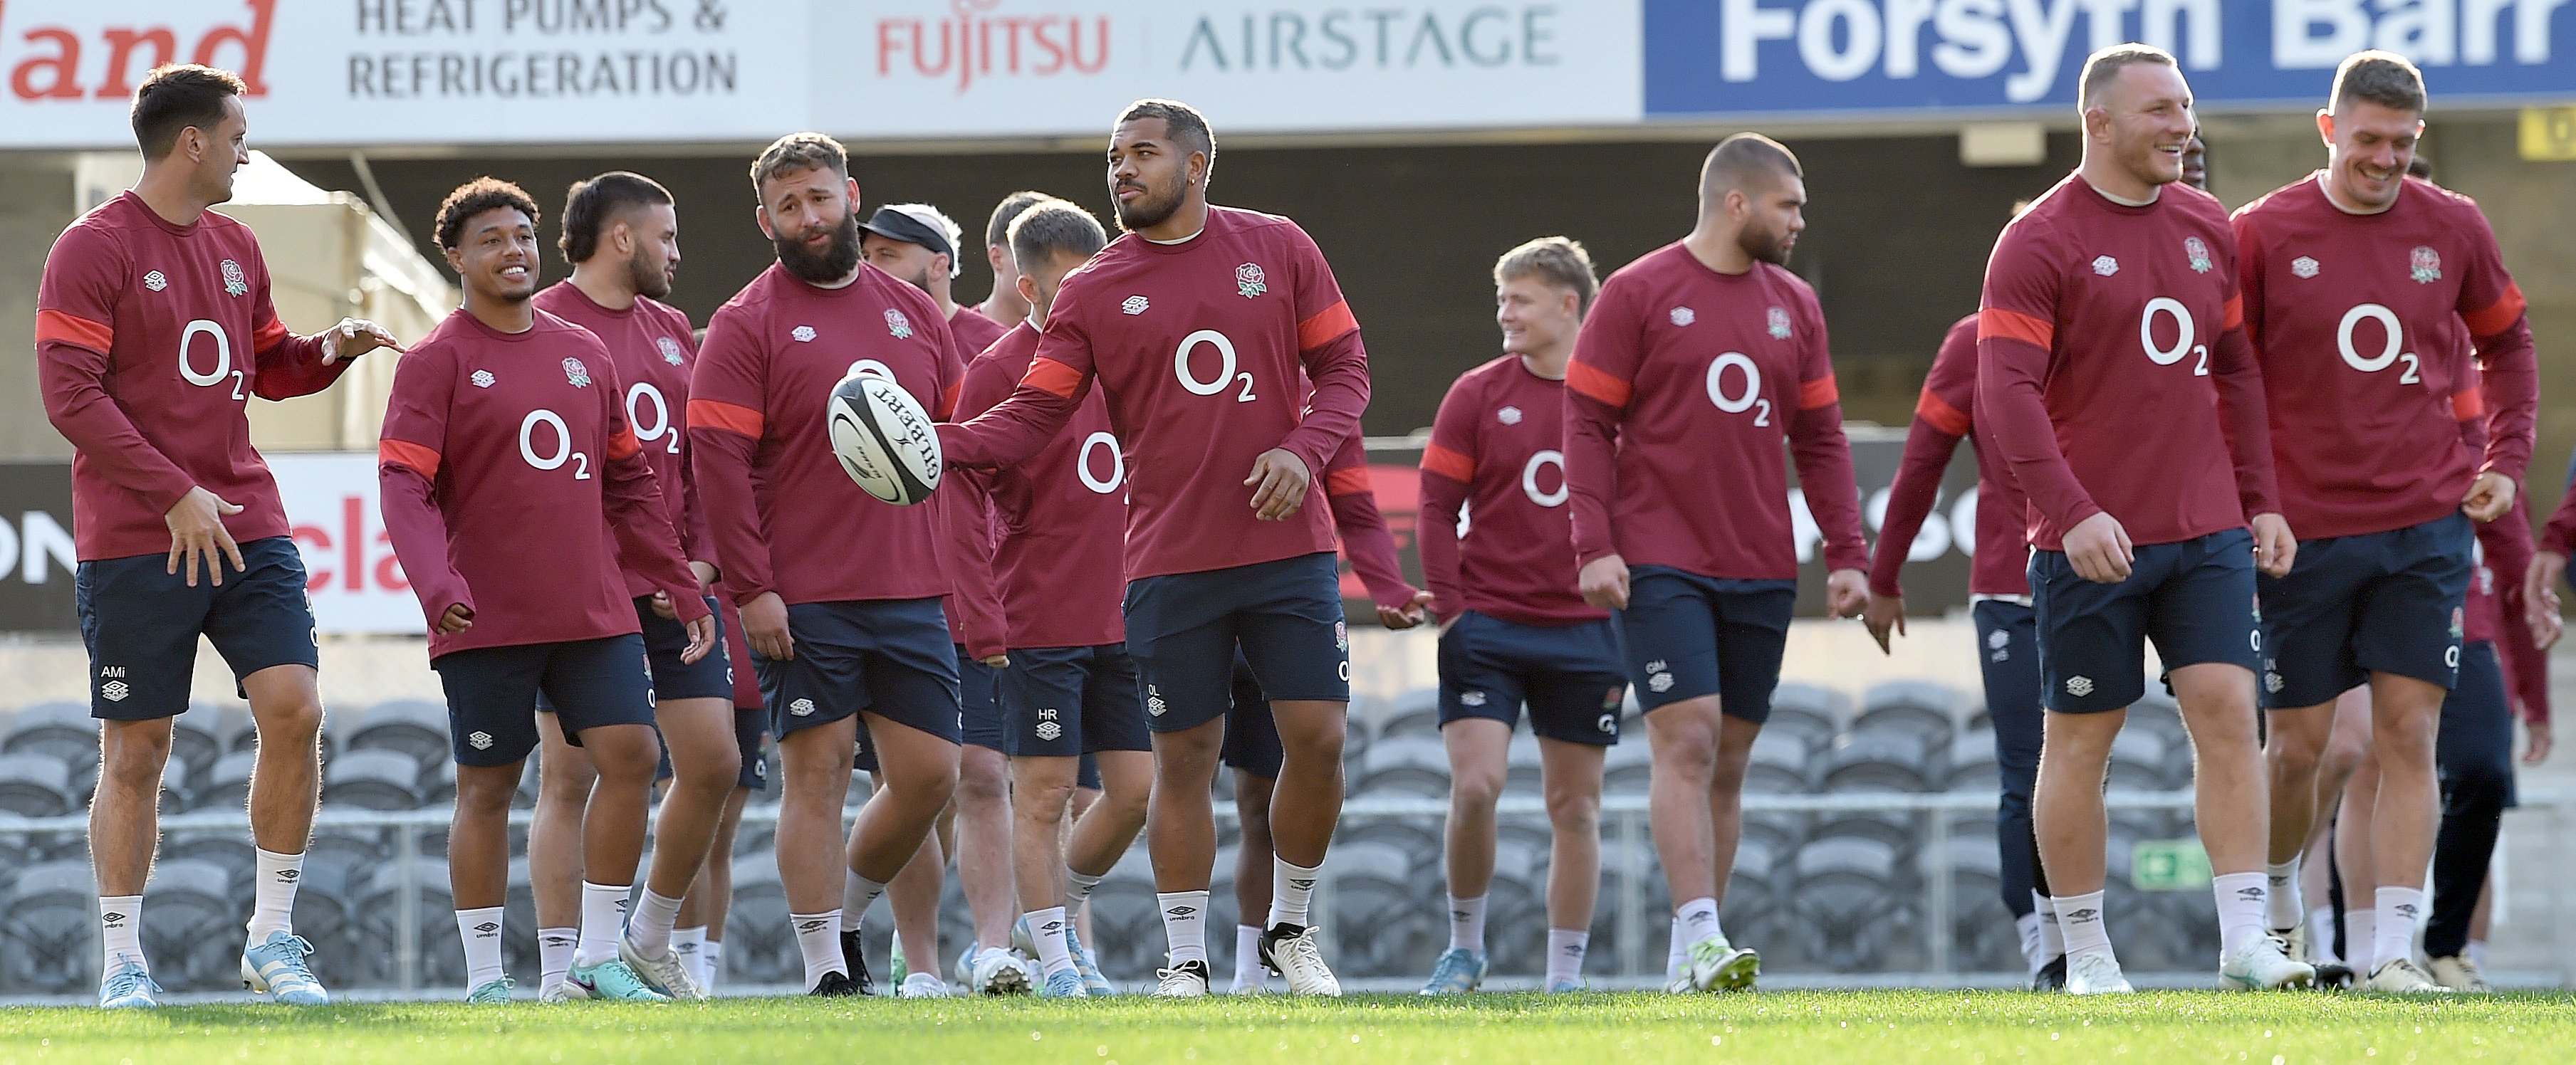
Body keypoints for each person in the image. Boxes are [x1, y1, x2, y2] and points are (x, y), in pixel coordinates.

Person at [939, 98, 1370, 998]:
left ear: (1197, 164)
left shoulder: (1280, 246)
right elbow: (1033, 413)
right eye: (1112, 156)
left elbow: (1345, 372)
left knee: (1319, 739)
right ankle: (1185, 958)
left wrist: (1302, 449)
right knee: (1184, 760)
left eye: (1141, 154)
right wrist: (939, 440)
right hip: (1169, 561)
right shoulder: (1093, 288)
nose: (1121, 170)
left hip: (1287, 549)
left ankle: (1290, 926)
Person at [38, 63, 401, 1009]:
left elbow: (268, 365)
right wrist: (171, 493)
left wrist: (328, 354)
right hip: (134, 535)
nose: (248, 150)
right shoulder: (92, 247)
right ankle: (123, 960)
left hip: (245, 519)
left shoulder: (239, 244)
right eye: (239, 134)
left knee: (297, 709)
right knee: (140, 751)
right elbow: (69, 396)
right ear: (193, 141)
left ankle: (273, 939)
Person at [1976, 44, 2308, 995]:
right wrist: (2070, 512)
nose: (2181, 126)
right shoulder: (2037, 241)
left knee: (2227, 713)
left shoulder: (2208, 225)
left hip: (2205, 531)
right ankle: (2083, 954)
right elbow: (2006, 396)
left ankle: (2246, 940)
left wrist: (2262, 499)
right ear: (2101, 124)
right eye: (2160, 109)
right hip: (2087, 546)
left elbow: (2238, 372)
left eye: (2186, 107)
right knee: (2081, 737)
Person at [2233, 51, 2536, 994]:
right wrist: (2254, 501)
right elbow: (2223, 380)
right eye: (2368, 140)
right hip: (2302, 535)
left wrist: (2505, 463)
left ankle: (2390, 955)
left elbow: (2508, 343)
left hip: (2423, 527)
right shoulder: (2264, 232)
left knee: (2409, 736)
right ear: (2328, 131)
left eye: (2403, 143)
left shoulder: (2452, 226)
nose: (2386, 159)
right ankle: (2280, 895)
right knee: (2302, 751)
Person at [379, 178, 714, 1004]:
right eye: (492, 239)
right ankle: (487, 976)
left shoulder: (584, 353)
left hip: (593, 608)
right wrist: (436, 583)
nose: (514, 250)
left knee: (633, 755)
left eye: (524, 235)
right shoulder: (434, 361)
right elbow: (402, 488)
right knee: (487, 788)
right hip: (485, 613)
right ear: (455, 256)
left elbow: (631, 488)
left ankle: (599, 956)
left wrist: (681, 585)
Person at [1564, 132, 1869, 995]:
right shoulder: (1635, 292)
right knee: (1687, 735)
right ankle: (1703, 930)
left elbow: (1819, 437)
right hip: (1660, 556)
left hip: (1761, 560)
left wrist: (1845, 552)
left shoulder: (1795, 307)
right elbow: (1582, 425)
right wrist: (1593, 543)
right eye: (1787, 206)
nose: (1799, 221)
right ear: (1736, 203)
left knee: (1729, 757)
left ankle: (1687, 952)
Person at [688, 133, 966, 998]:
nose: (808, 218)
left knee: (929, 777)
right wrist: (753, 588)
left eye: (819, 198)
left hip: (912, 585)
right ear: (765, 218)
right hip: (801, 595)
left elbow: (946, 443)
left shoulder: (915, 312)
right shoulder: (744, 322)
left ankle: (843, 915)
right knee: (816, 770)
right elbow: (717, 468)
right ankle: (824, 972)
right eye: (788, 206)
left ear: (850, 193)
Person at [510, 171, 741, 1001]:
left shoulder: (675, 329)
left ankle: (644, 938)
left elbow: (701, 456)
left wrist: (702, 560)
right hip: (583, 595)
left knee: (713, 760)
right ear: (621, 239)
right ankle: (559, 970)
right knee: (569, 776)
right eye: (667, 237)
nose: (676, 253)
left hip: (674, 586)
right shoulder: (538, 323)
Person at [1414, 237, 1628, 996]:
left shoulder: (1619, 398)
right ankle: (1464, 948)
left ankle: (1561, 977)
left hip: (1586, 630)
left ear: (1568, 305)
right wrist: (1448, 610)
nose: (1504, 312)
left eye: (1520, 298)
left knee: (1575, 805)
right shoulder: (1474, 392)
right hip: (1487, 626)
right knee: (1475, 786)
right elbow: (1434, 509)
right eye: (1500, 298)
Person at [951, 198, 1149, 999]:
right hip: (1040, 614)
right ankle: (1062, 964)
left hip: (1130, 612)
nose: (1078, 300)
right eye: (1061, 288)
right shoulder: (998, 370)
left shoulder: (1132, 358)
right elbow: (959, 496)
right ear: (1025, 286)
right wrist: (979, 611)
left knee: (1134, 792)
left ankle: (1052, 925)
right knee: (1042, 791)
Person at [1862, 236, 2062, 989]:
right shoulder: (1968, 341)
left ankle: (2082, 933)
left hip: (2104, 581)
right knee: (2025, 770)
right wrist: (1884, 573)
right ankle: (2041, 945)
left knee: (2085, 769)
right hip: (2010, 590)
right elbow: (1920, 460)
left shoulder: (2110, 329)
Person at [862, 199, 1028, 995]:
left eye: (890, 255)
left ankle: (993, 946)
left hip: (974, 592)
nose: (873, 267)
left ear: (938, 264)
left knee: (985, 773)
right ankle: (918, 960)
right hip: (887, 593)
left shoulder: (993, 348)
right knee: (909, 788)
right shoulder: (854, 345)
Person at [1216, 436, 1427, 995]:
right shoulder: (1191, 373)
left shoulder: (1323, 408)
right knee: (1162, 779)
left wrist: (1387, 585)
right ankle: (1166, 960)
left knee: (1261, 804)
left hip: (1282, 615)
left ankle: (1252, 969)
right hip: (1189, 604)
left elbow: (1356, 507)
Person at [976, 191, 1054, 328]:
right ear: (997, 258)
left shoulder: (1068, 340)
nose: (1048, 275)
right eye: (1033, 257)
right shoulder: (954, 337)